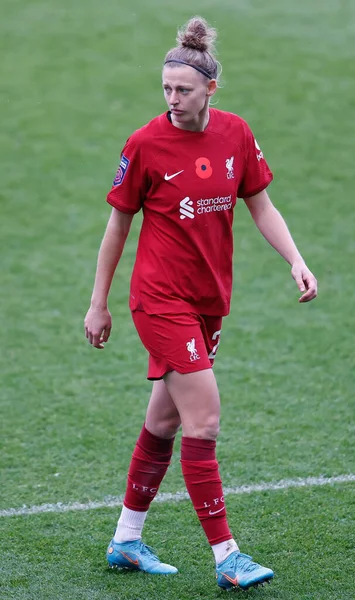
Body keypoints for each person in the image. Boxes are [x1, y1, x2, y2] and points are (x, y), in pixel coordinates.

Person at [84, 15, 317, 591]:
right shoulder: (144, 144)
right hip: (159, 299)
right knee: (204, 420)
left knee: (164, 419)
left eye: (183, 90)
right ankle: (227, 556)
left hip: (209, 299)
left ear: (211, 88)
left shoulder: (235, 133)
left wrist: (296, 259)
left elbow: (261, 204)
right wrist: (99, 304)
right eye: (166, 88)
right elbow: (117, 227)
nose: (173, 99)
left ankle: (126, 539)